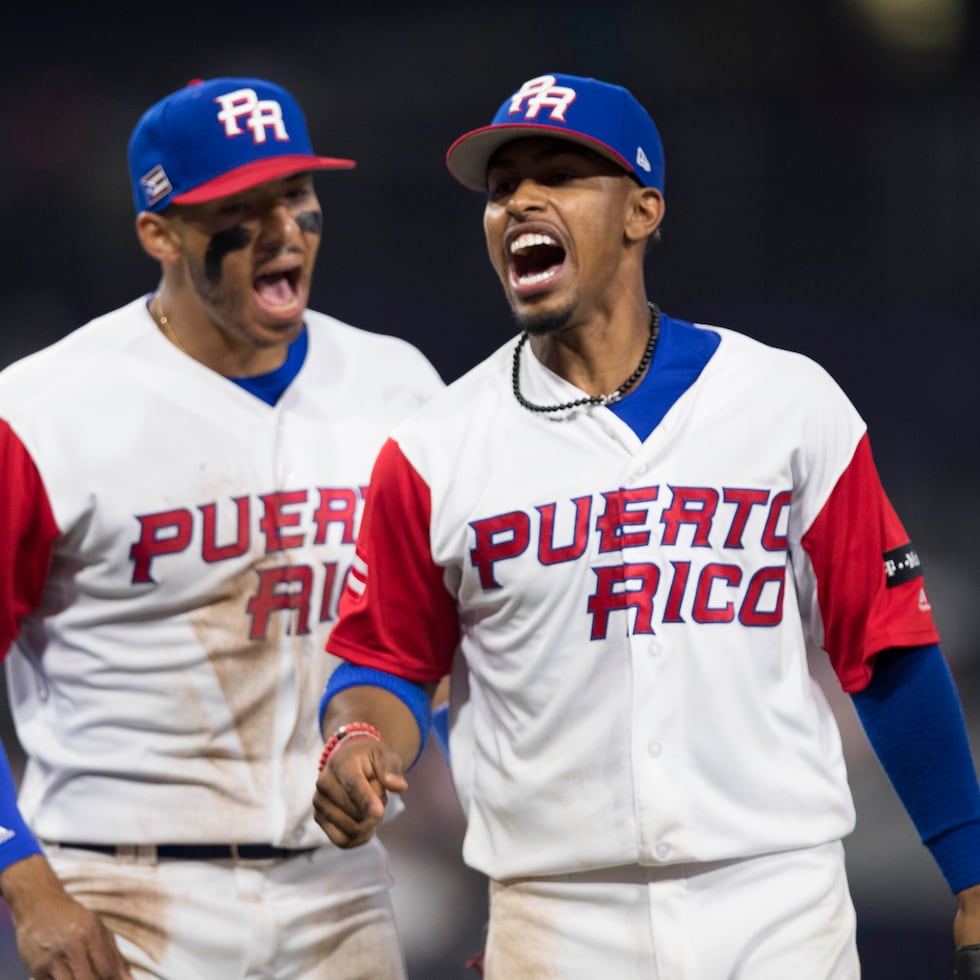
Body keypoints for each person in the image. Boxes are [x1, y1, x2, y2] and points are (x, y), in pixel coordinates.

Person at [312, 72, 980, 978]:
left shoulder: (785, 403)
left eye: (560, 173)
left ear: (641, 211)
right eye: (504, 186)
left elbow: (891, 648)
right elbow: (384, 662)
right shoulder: (436, 449)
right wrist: (357, 740)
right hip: (556, 920)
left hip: (777, 908)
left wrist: (972, 875)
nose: (521, 201)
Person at [0, 76, 443, 979]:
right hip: (122, 897)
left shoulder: (398, 387)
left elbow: (427, 632)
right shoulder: (43, 412)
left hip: (342, 888)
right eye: (239, 207)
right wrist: (25, 882)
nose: (282, 229)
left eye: (296, 195)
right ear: (159, 235)